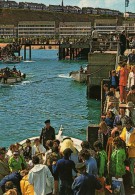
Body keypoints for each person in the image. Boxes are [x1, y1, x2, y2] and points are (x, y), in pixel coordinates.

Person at [120, 118, 135, 188]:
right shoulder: (124, 130)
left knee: (131, 169)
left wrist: (129, 145)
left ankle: (133, 183)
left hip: (132, 154)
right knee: (124, 168)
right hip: (125, 153)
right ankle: (126, 182)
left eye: (128, 124)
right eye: (126, 124)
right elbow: (121, 138)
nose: (127, 126)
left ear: (131, 124)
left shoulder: (134, 131)